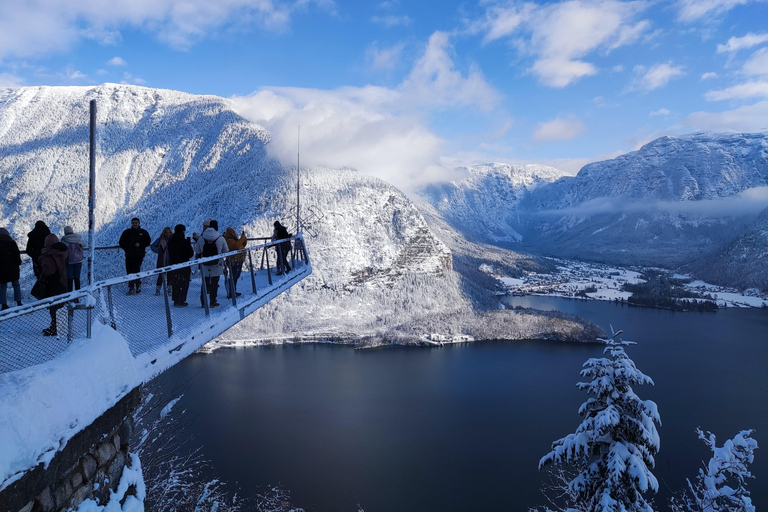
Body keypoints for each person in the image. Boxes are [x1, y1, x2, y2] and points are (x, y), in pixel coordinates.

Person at [35, 234, 68, 336]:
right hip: (62, 281)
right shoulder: (61, 251)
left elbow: (48, 271)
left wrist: (40, 268)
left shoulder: (48, 255)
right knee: (59, 306)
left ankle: (55, 328)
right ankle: (59, 326)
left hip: (52, 284)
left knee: (53, 307)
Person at [194, 219, 227, 308]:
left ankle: (203, 302)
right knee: (214, 283)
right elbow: (226, 251)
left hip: (205, 263)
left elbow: (197, 250)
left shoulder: (202, 238)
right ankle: (213, 301)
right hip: (217, 264)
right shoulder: (220, 238)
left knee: (205, 283)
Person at [118, 217, 150, 295]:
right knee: (129, 271)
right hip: (129, 255)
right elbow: (121, 242)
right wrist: (127, 248)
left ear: (139, 223)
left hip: (139, 255)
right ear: (131, 224)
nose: (135, 224)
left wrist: (140, 245)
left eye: (136, 223)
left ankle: (138, 285)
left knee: (136, 270)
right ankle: (131, 287)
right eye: (133, 223)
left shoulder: (143, 232)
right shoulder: (127, 232)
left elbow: (148, 241)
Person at [167, 224, 194, 307]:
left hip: (174, 265)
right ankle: (181, 300)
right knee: (184, 283)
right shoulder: (185, 242)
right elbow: (190, 254)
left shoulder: (170, 242)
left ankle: (175, 300)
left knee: (176, 282)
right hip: (184, 265)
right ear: (183, 231)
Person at [0, 228, 23, 310]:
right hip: (13, 268)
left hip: (1, 269)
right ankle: (19, 302)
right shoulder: (12, 243)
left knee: (3, 286)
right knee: (16, 285)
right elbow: (16, 255)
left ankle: (3, 304)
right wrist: (18, 262)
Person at [60, 226, 87, 292]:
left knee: (70, 279)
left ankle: (70, 295)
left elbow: (62, 249)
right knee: (77, 279)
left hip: (69, 261)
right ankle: (78, 295)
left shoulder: (64, 240)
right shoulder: (77, 239)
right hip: (78, 260)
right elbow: (84, 245)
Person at [224, 227, 247, 298]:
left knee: (236, 276)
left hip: (237, 260)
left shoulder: (234, 239)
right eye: (232, 233)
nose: (234, 234)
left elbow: (242, 245)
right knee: (233, 276)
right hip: (233, 261)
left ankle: (233, 291)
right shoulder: (228, 241)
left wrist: (244, 238)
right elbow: (236, 246)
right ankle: (231, 292)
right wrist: (242, 238)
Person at [150, 226, 173, 295]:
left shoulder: (172, 240)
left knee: (170, 276)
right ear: (164, 233)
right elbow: (152, 246)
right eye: (166, 232)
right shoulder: (161, 240)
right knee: (161, 276)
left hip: (170, 260)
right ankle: (158, 289)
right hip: (162, 260)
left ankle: (169, 289)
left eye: (169, 232)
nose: (168, 234)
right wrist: (159, 251)